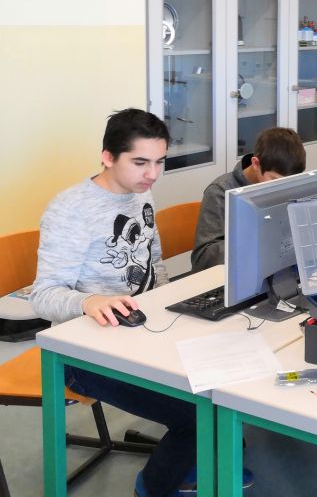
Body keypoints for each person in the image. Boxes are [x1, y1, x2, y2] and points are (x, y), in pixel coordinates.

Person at [30, 109, 236, 497]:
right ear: (107, 156)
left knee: (229, 383)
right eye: (140, 162)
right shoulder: (71, 210)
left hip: (145, 331)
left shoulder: (140, 191)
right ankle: (152, 487)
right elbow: (43, 296)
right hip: (84, 354)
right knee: (197, 415)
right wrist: (89, 300)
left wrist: (173, 309)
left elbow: (154, 263)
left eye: (159, 162)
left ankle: (201, 459)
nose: (152, 174)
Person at [192, 127, 307, 272]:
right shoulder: (220, 191)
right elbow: (203, 258)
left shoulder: (284, 185)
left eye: (289, 183)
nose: (282, 189)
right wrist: (257, 241)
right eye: (274, 180)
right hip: (233, 274)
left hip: (275, 269)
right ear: (256, 163)